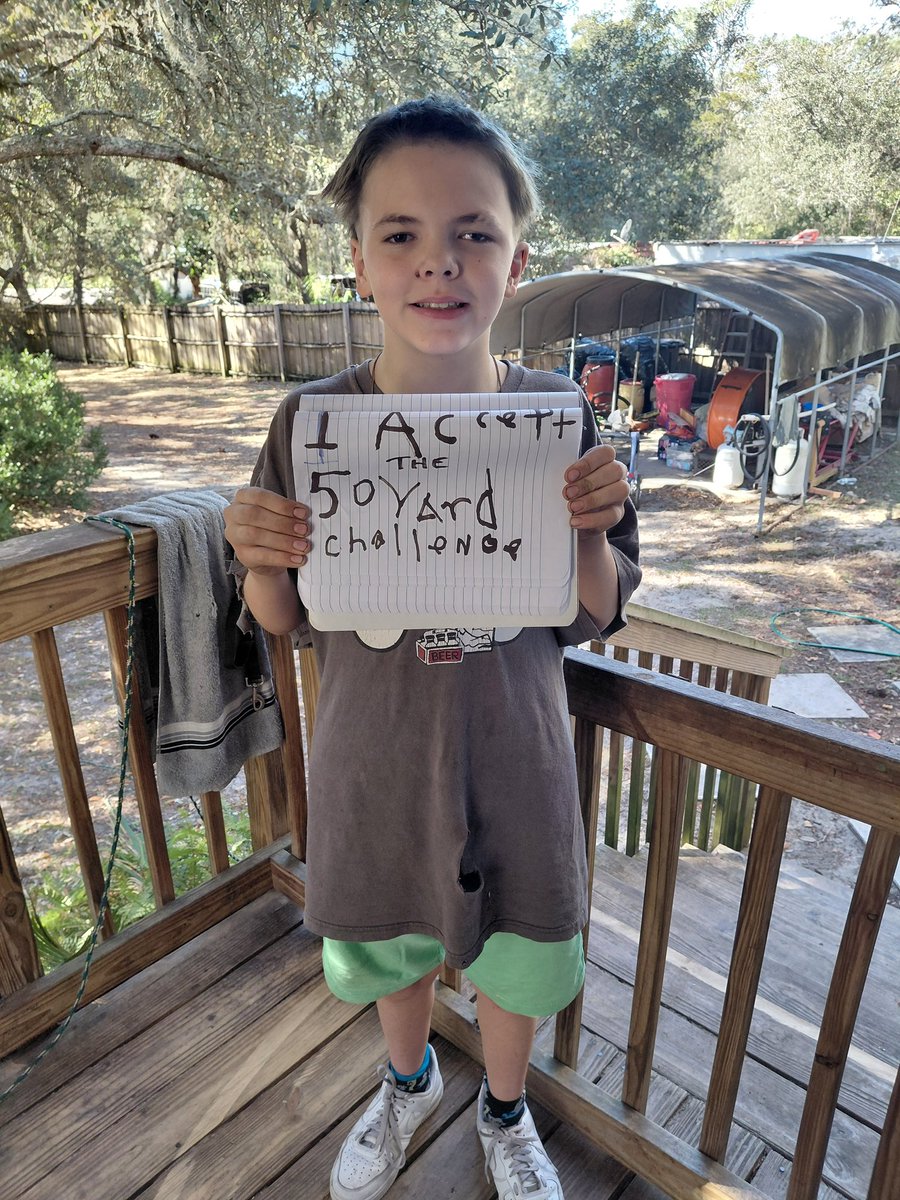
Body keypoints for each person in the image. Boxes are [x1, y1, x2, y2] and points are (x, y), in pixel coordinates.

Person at [224, 96, 641, 1200]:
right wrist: (260, 552)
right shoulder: (308, 422)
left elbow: (591, 611)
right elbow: (281, 615)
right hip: (375, 757)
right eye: (400, 234)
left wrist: (592, 528)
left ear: (517, 256)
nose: (438, 262)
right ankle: (404, 1087)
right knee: (391, 952)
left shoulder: (562, 417)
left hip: (518, 756)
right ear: (359, 261)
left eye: (474, 232)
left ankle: (506, 1115)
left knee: (522, 956)